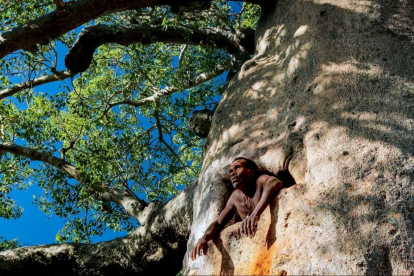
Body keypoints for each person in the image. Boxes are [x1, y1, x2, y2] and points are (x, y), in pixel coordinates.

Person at [190, 157, 291, 260]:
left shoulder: (260, 181)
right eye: (230, 171)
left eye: (237, 167)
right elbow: (218, 223)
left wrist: (256, 213)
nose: (232, 173)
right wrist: (203, 239)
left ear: (251, 171)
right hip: (253, 252)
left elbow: (274, 182)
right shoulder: (235, 197)